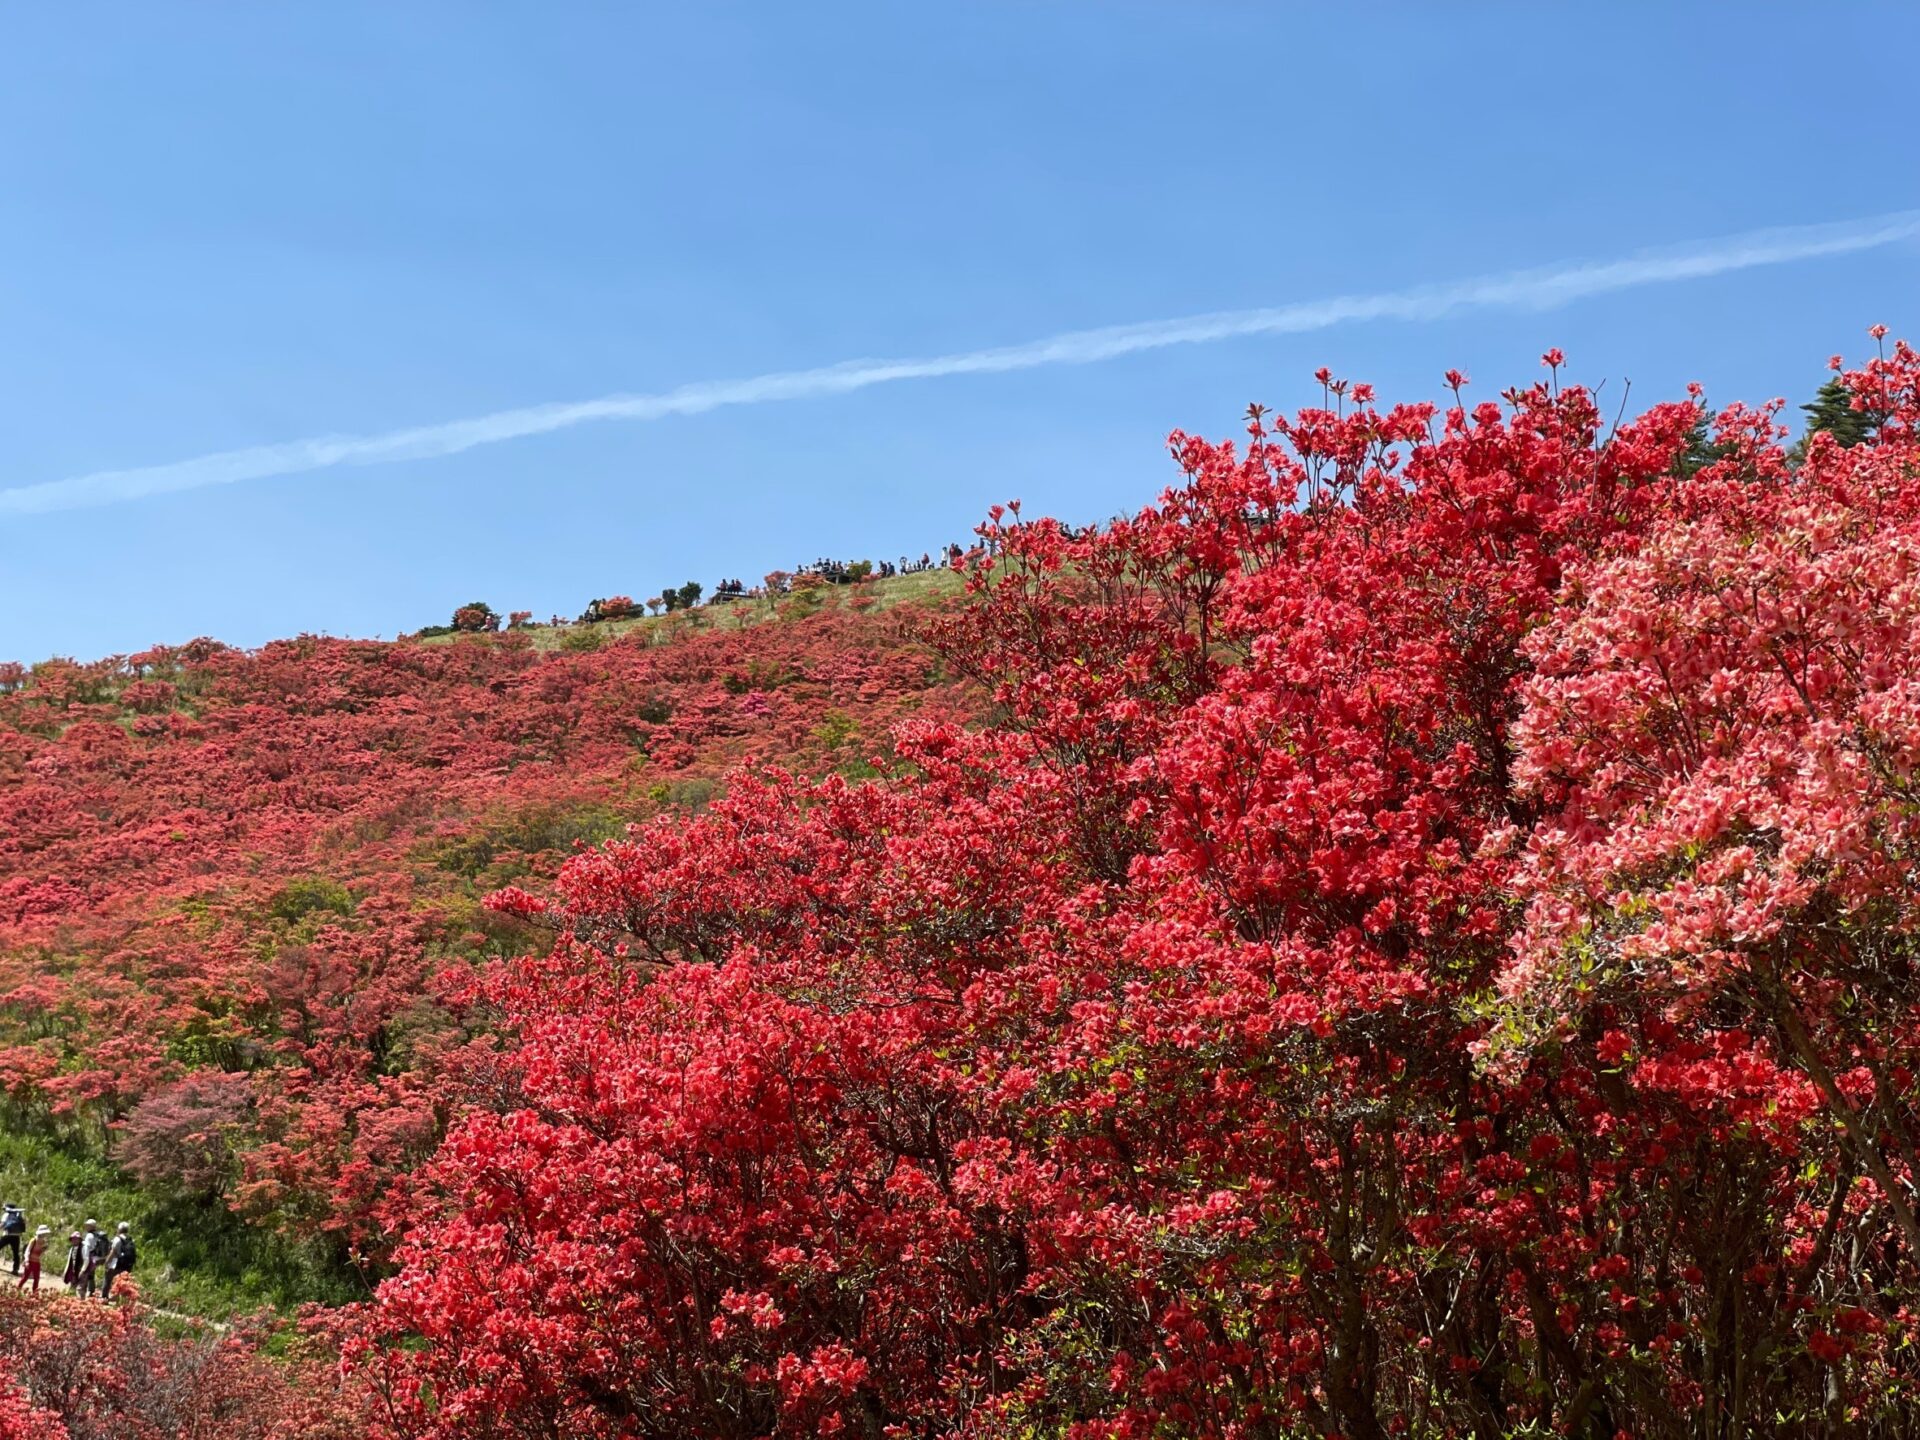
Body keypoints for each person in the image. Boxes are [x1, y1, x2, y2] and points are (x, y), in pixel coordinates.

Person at [100, 1223, 135, 1300]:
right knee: (121, 1282)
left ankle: (104, 1297)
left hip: (116, 1263)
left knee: (107, 1278)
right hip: (126, 1265)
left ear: (119, 1229)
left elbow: (113, 1252)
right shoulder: (130, 1239)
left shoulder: (117, 1239)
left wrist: (107, 1262)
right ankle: (120, 1298)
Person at [76, 1219, 104, 1299]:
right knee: (91, 1275)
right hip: (96, 1258)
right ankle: (92, 1291)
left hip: (89, 1258)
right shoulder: (97, 1235)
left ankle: (82, 1295)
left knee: (84, 1275)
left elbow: (87, 1248)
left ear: (91, 1226)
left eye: (87, 1225)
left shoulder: (89, 1236)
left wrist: (84, 1259)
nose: (86, 1226)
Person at [14, 1227, 48, 1294]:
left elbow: (40, 1253)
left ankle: (34, 1293)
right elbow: (28, 1250)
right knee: (25, 1277)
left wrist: (44, 1250)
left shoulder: (43, 1242)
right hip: (30, 1261)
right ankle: (17, 1290)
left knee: (36, 1278)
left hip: (37, 1262)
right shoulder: (33, 1240)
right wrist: (26, 1260)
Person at [0, 1204, 23, 1275]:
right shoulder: (18, 1215)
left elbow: (2, 1224)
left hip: (7, 1235)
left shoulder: (6, 1215)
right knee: (16, 1253)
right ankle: (15, 1269)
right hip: (16, 1236)